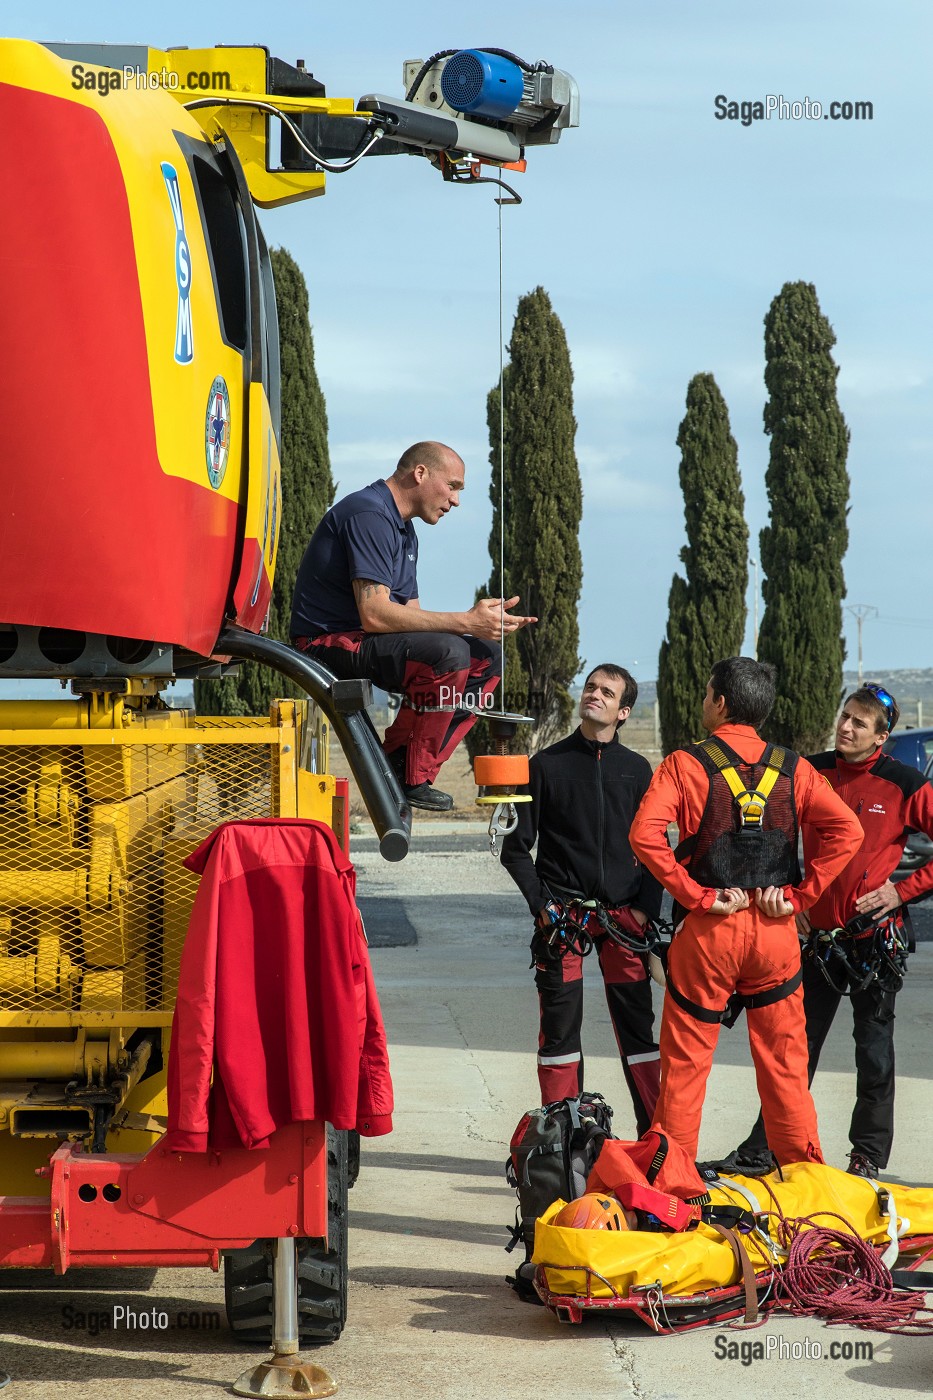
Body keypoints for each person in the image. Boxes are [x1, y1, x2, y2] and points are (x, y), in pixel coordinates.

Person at [629, 657, 863, 1166]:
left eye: (707, 691)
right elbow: (849, 831)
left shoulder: (685, 764)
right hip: (776, 934)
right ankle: (806, 1189)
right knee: (786, 1069)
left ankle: (675, 1191)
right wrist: (801, 898)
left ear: (720, 702)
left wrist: (696, 895)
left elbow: (645, 836)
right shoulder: (795, 767)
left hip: (709, 931)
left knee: (686, 1066)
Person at [714, 684, 933, 1179]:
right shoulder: (807, 771)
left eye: (859, 723)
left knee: (874, 1054)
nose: (846, 727)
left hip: (875, 944)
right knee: (793, 1050)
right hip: (815, 940)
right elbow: (764, 836)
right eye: (845, 716)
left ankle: (868, 1157)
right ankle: (763, 1149)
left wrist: (902, 892)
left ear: (882, 737)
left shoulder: (904, 783)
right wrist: (792, 899)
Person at [290, 441, 535, 811]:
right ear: (420, 473)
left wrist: (477, 627)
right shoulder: (368, 514)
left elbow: (412, 618)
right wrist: (466, 620)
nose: (455, 501)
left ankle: (404, 762)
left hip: (366, 641)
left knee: (487, 658)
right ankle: (410, 776)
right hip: (325, 642)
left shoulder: (405, 532)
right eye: (453, 486)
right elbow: (375, 613)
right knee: (448, 653)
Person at [500, 664, 664, 1133]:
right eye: (590, 687)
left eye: (607, 692)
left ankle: (655, 1138)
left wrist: (644, 911)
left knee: (639, 1035)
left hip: (624, 920)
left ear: (624, 711)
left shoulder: (637, 771)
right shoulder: (546, 766)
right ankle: (565, 1140)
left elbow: (656, 849)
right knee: (559, 1035)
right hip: (562, 921)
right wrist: (543, 906)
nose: (594, 695)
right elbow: (515, 849)